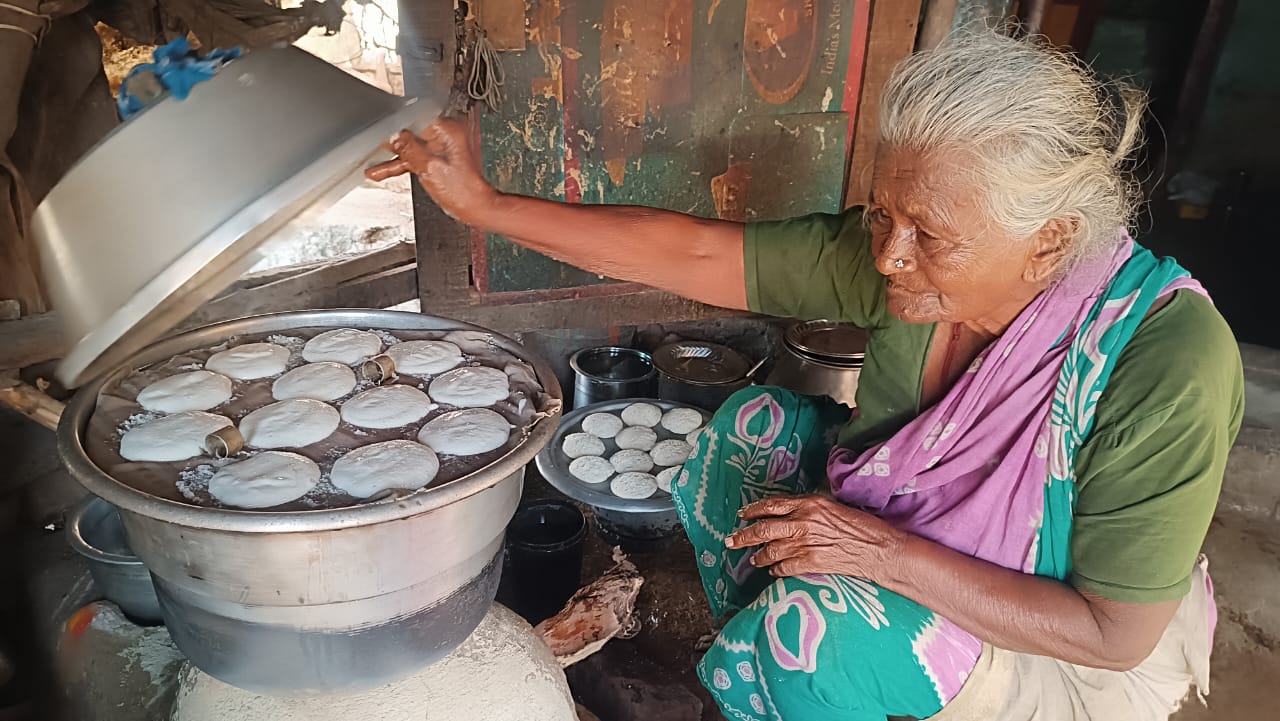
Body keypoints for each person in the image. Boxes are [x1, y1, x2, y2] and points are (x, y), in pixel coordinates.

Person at [369, 31, 1242, 721]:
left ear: (1047, 239)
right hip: (902, 554)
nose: (892, 256)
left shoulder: (1166, 363)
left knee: (810, 636)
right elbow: (698, 251)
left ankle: (811, 657)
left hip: (1043, 655)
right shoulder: (909, 271)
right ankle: (801, 669)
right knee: (744, 435)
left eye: (929, 235)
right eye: (884, 216)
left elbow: (1109, 631)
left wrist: (876, 555)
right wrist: (485, 205)